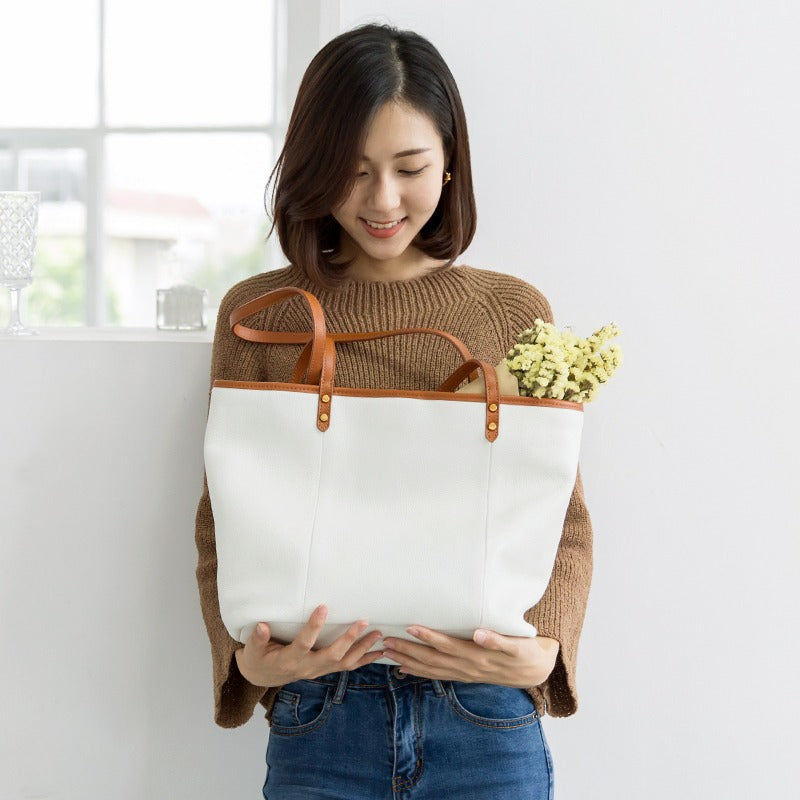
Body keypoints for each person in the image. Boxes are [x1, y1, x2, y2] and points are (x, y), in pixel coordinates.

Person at [195, 22, 593, 800]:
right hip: (321, 714)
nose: (382, 201)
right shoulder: (263, 313)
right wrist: (244, 663)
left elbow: (561, 517)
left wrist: (547, 653)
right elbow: (224, 517)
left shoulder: (510, 311)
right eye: (353, 171)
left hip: (485, 717)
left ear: (450, 165)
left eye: (410, 168)